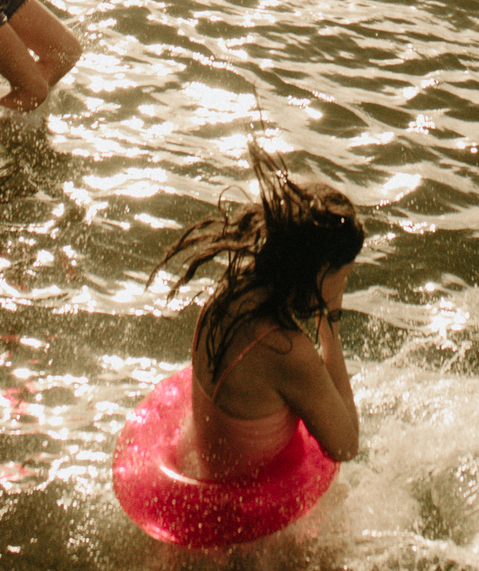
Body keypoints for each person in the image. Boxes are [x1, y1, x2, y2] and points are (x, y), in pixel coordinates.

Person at [154, 145, 363, 477]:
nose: (345, 283)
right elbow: (346, 446)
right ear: (321, 271)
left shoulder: (227, 294)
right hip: (242, 503)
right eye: (344, 275)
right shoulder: (287, 351)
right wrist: (329, 327)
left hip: (201, 467)